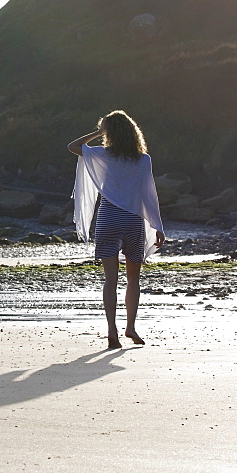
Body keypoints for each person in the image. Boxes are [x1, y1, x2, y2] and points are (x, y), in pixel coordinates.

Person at [68, 110, 165, 349]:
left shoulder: (103, 154)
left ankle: (112, 330)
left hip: (108, 218)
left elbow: (73, 146)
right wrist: (158, 225)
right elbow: (149, 195)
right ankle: (130, 327)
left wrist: (99, 132)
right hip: (132, 220)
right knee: (133, 278)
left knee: (110, 278)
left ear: (109, 134)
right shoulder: (143, 159)